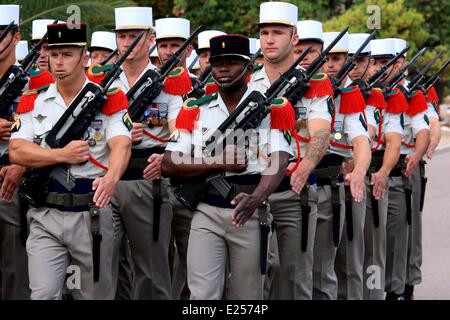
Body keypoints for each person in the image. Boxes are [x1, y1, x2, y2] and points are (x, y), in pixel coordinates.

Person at [162, 33, 293, 299]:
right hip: (206, 211)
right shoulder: (195, 109)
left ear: (248, 66)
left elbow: (280, 160)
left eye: (232, 62)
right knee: (201, 295)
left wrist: (256, 199)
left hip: (249, 210)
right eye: (218, 62)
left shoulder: (268, 108)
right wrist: (217, 162)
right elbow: (168, 163)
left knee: (247, 295)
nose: (223, 68)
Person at [9, 22, 132, 300]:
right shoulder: (34, 100)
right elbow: (17, 150)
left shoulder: (106, 99)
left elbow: (121, 143)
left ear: (84, 57)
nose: (58, 61)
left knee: (93, 295)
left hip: (90, 215)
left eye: (67, 54)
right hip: (45, 214)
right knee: (43, 294)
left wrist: (112, 178)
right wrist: (60, 155)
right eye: (54, 54)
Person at [250, 2, 333, 299]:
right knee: (256, 275)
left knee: (296, 276)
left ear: (294, 38)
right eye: (264, 32)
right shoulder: (247, 81)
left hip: (294, 188)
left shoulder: (314, 84)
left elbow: (321, 131)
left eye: (278, 32)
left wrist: (307, 166)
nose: (269, 39)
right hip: (253, 187)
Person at [110, 6, 183, 300]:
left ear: (151, 38)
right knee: (101, 268)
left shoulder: (169, 83)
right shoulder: (103, 81)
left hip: (147, 180)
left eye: (134, 36)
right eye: (122, 36)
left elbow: (181, 130)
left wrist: (169, 154)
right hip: (106, 180)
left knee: (151, 273)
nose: (127, 42)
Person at [313, 31, 371, 300]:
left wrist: (359, 170)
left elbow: (362, 140)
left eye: (336, 59)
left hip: (337, 184)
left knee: (346, 258)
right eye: (326, 59)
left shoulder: (349, 96)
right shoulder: (306, 90)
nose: (330, 65)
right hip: (293, 185)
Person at [0, 4, 30, 300]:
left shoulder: (35, 83)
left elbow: (50, 136)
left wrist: (22, 165)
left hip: (12, 178)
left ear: (16, 36)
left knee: (15, 271)